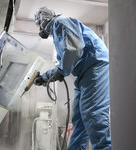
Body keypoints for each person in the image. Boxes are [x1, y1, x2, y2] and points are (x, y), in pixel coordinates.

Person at [33, 7, 111, 150]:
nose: (39, 28)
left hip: (95, 67)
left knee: (92, 114)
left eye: (38, 23)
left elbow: (74, 49)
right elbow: (63, 62)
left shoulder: (61, 23)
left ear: (43, 19)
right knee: (80, 119)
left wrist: (62, 71)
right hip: (84, 74)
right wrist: (44, 78)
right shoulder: (58, 34)